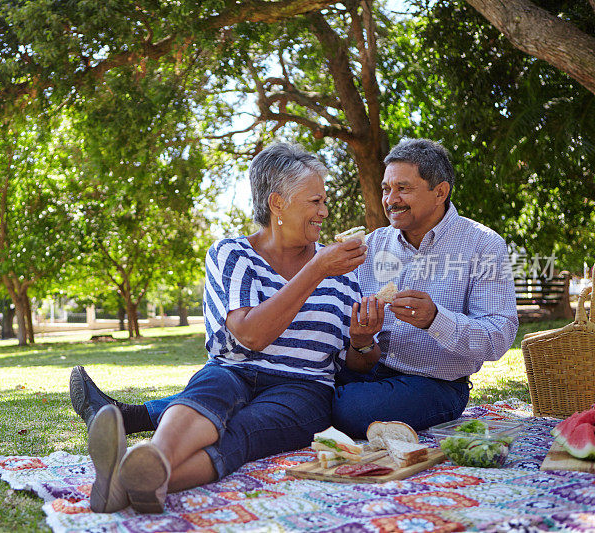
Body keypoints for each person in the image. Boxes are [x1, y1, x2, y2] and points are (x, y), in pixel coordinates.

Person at [73, 138, 519, 494]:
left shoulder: (482, 246)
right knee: (226, 387)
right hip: (333, 369)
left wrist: (431, 320)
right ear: (277, 203)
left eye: (402, 188)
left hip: (420, 382)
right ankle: (141, 445)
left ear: (439, 191)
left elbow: (500, 336)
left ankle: (135, 445)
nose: (389, 199)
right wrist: (362, 338)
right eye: (386, 188)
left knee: (332, 408)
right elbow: (302, 336)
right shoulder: (371, 248)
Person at [78, 142, 385, 514]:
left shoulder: (341, 271)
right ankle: (152, 459)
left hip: (303, 389)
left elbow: (355, 364)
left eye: (324, 201)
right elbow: (251, 335)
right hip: (232, 369)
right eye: (314, 201)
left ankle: (128, 480)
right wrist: (316, 270)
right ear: (277, 204)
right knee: (207, 393)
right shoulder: (233, 254)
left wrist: (363, 341)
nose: (324, 212)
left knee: (242, 432)